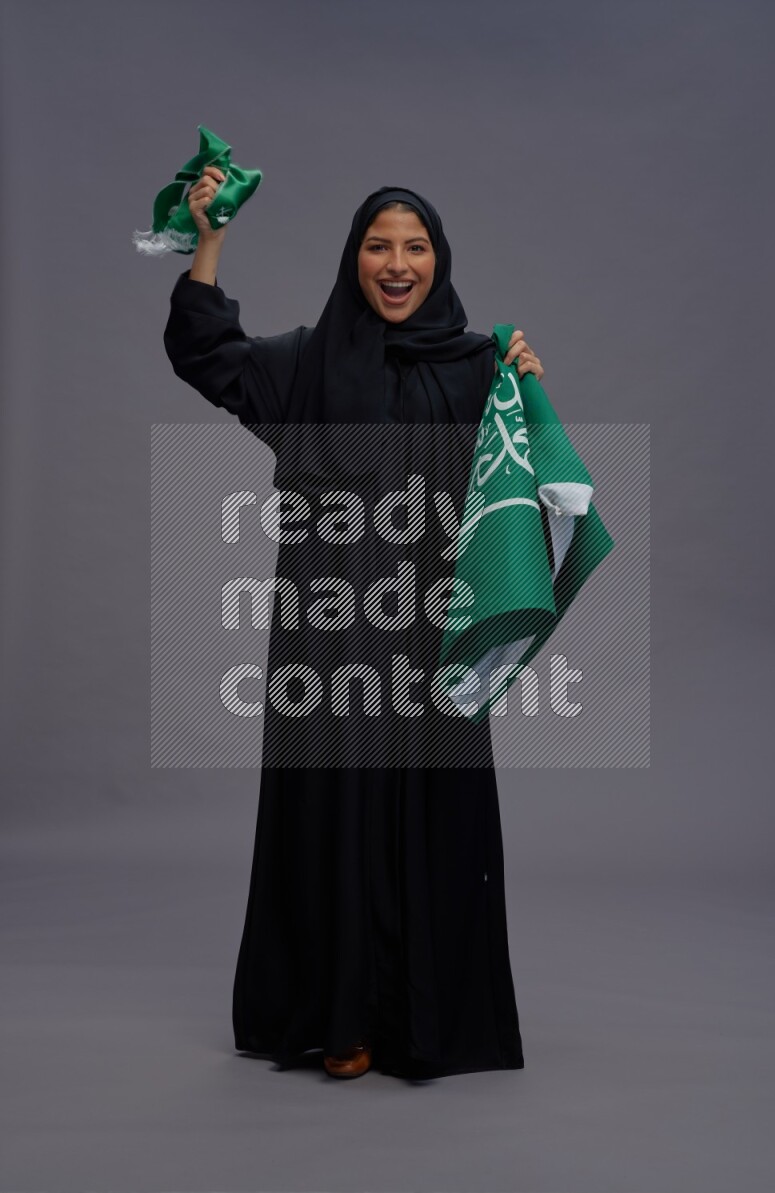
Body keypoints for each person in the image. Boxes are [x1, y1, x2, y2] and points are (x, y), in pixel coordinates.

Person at [163, 168, 545, 1080]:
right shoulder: (306, 363)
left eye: (415, 245)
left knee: (428, 813)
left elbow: (518, 487)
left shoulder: (480, 366)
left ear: (438, 259)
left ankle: (420, 1022)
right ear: (354, 258)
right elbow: (205, 351)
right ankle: (341, 1019)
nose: (398, 262)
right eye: (380, 244)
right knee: (335, 811)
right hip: (329, 636)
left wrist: (528, 390)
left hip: (430, 633)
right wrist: (207, 234)